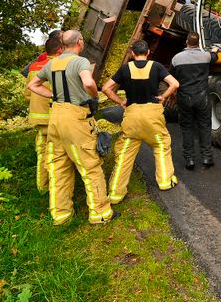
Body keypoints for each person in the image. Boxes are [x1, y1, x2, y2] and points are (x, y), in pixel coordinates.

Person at [27, 29, 117, 225]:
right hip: (76, 117)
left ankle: (61, 215)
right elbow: (87, 81)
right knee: (90, 165)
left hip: (56, 117)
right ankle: (100, 213)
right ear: (80, 42)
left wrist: (52, 95)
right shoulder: (80, 61)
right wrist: (94, 96)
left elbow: (32, 85)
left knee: (59, 167)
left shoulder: (51, 63)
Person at [102, 40, 179, 204]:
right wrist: (163, 97)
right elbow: (175, 84)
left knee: (124, 155)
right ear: (148, 53)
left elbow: (106, 88)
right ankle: (165, 182)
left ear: (132, 54)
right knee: (161, 146)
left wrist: (120, 102)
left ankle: (115, 194)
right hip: (153, 116)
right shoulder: (156, 66)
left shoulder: (125, 69)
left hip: (132, 116)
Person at [170, 32, 218, 169]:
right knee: (205, 126)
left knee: (187, 128)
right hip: (202, 97)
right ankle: (207, 157)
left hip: (184, 97)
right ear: (198, 42)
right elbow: (214, 57)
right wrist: (214, 50)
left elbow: (171, 78)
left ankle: (189, 160)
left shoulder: (176, 59)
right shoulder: (206, 56)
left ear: (186, 42)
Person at [24, 35, 63, 193]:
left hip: (39, 120)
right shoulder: (59, 65)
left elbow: (27, 94)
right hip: (55, 117)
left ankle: (42, 188)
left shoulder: (33, 68)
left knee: (41, 154)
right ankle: (57, 189)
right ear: (60, 50)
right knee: (57, 155)